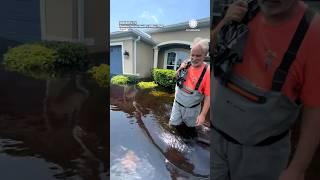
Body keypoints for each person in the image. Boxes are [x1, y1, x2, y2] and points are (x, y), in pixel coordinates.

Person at [211, 0, 320, 180]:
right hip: (216, 143)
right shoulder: (244, 10)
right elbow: (212, 54)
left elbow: (315, 109)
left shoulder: (313, 32)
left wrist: (297, 169)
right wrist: (225, 22)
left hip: (261, 158)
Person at [169, 37, 211, 138]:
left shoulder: (208, 72)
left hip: (192, 109)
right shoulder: (187, 63)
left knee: (190, 129)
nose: (194, 58)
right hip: (177, 104)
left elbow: (208, 96)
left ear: (205, 55)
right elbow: (176, 76)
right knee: (172, 125)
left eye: (198, 56)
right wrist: (180, 68)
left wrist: (203, 115)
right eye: (192, 55)